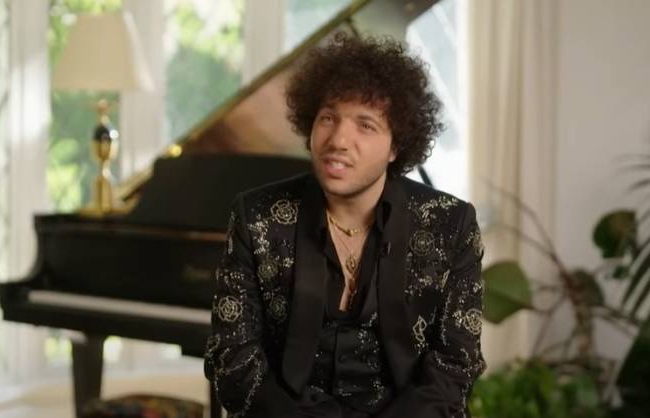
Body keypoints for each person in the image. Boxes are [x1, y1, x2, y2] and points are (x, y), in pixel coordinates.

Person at [204, 32, 485, 418]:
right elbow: (233, 358)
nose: (338, 139)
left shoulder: (450, 225)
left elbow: (455, 366)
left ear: (396, 146)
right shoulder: (257, 216)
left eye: (365, 125)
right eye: (328, 118)